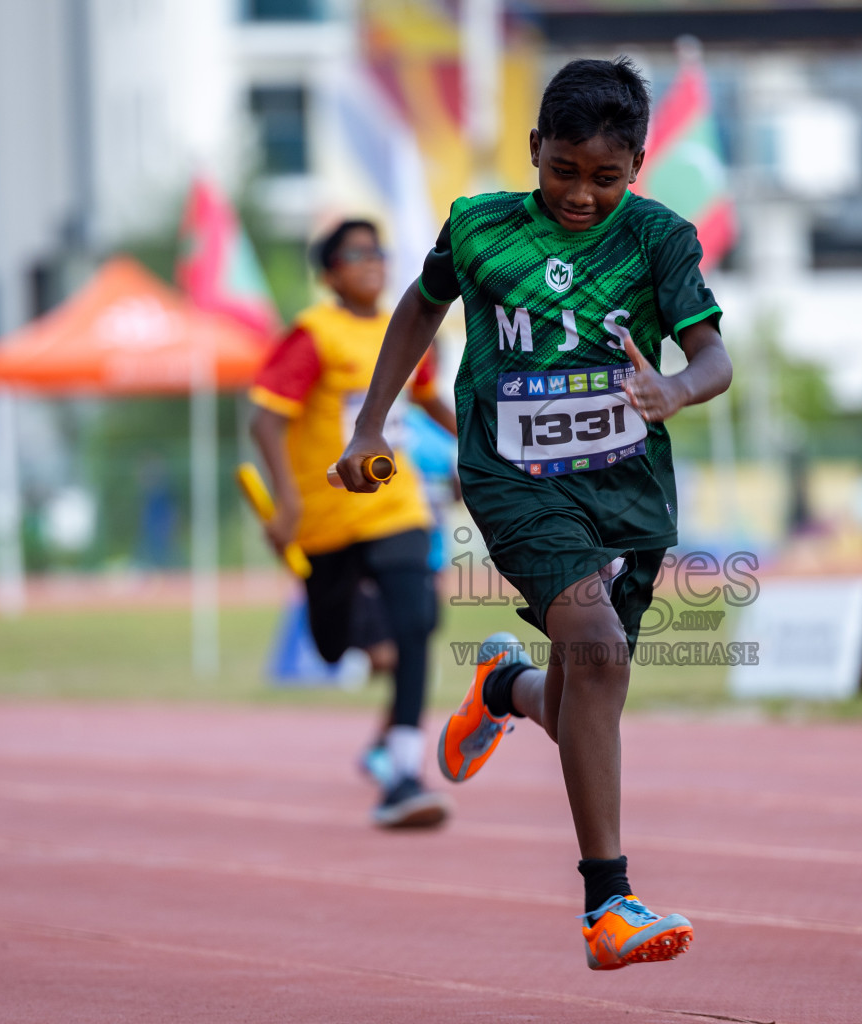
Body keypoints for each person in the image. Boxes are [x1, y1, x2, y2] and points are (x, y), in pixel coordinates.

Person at [335, 57, 732, 969]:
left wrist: (674, 388)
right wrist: (369, 423)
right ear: (534, 151)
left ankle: (502, 690)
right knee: (599, 653)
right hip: (513, 476)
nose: (582, 196)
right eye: (564, 171)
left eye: (606, 178)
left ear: (636, 166)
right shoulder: (480, 228)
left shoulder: (659, 241)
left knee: (583, 689)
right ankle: (609, 903)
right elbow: (417, 310)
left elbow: (715, 357)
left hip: (627, 490)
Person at [249, 217, 458, 829]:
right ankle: (375, 672)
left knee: (417, 624)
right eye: (354, 253)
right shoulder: (315, 335)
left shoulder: (406, 329)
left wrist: (481, 442)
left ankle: (402, 773)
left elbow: (423, 396)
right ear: (329, 272)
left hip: (397, 507)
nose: (371, 261)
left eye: (377, 251)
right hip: (328, 515)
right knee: (332, 641)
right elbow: (265, 420)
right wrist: (287, 503)